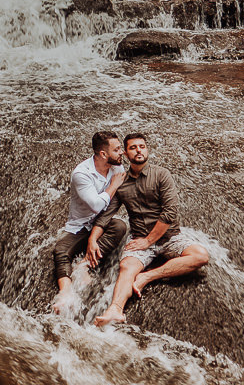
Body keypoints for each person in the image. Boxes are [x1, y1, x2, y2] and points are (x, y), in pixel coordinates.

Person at [89, 133, 209, 327]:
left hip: (169, 238)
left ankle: (147, 276)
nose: (139, 150)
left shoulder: (161, 174)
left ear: (147, 149)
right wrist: (92, 240)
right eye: (133, 147)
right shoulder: (121, 182)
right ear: (126, 154)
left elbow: (169, 213)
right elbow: (106, 214)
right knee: (126, 267)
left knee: (201, 255)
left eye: (142, 146)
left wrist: (149, 241)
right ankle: (115, 310)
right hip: (139, 239)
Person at [51, 131, 128, 314]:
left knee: (120, 226)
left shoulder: (117, 168)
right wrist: (113, 185)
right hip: (80, 225)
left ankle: (84, 264)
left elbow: (109, 209)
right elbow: (95, 205)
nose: (122, 153)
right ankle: (65, 291)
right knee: (60, 251)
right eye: (117, 150)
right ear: (103, 154)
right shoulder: (82, 173)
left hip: (102, 222)